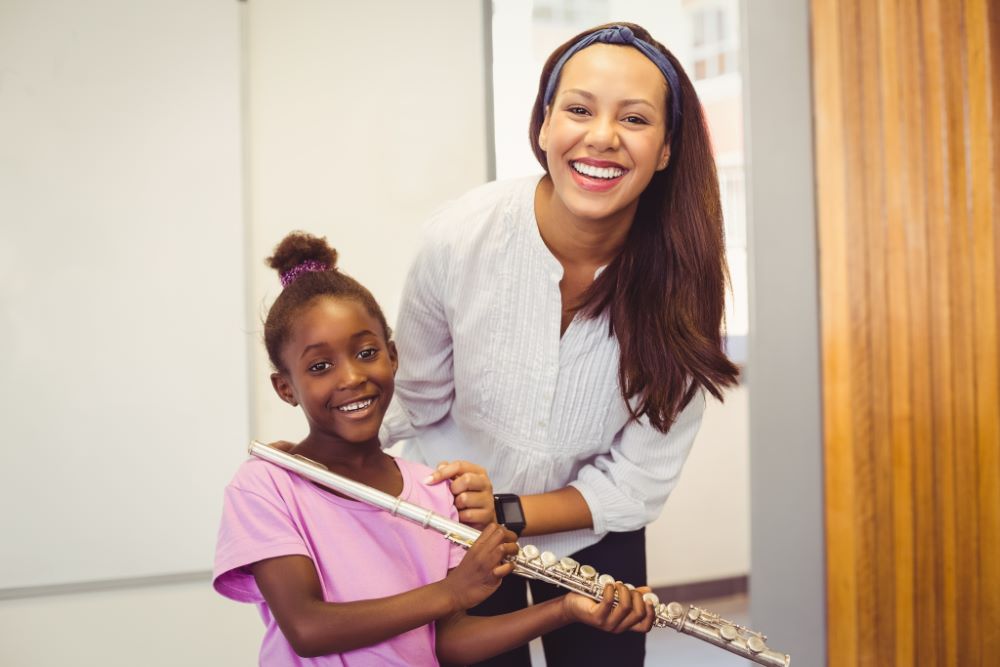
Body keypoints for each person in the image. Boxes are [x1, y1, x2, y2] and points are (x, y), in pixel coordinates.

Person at [380, 22, 740, 666]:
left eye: (634, 118)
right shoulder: (458, 238)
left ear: (665, 150)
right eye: (578, 109)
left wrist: (508, 510)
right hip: (454, 527)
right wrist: (324, 463)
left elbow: (637, 481)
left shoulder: (686, 286)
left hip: (592, 533)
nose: (602, 136)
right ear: (544, 125)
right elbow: (416, 400)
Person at [213, 231, 657, 666]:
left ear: (393, 357)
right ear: (285, 387)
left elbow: (446, 644)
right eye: (320, 366)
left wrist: (565, 609)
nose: (350, 377)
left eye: (366, 353)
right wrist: (452, 592)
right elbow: (307, 629)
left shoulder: (433, 490)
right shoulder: (266, 485)